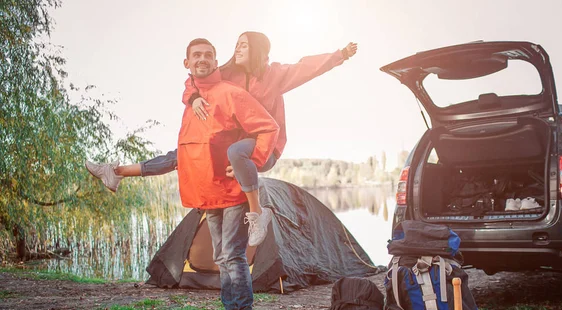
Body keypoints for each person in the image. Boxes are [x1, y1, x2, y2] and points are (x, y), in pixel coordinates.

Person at [86, 32, 358, 245]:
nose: (237, 49)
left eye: (243, 45)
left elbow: (307, 67)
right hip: (234, 149)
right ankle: (117, 171)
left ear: (257, 49)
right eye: (236, 44)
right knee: (183, 155)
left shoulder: (275, 75)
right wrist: (192, 99)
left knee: (236, 152)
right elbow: (194, 80)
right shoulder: (229, 74)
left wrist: (340, 55)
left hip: (264, 145)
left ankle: (258, 214)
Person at [177, 38, 279, 310]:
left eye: (209, 55)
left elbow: (268, 127)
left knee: (233, 256)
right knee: (222, 258)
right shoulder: (192, 98)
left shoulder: (231, 93)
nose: (203, 59)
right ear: (187, 63)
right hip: (209, 193)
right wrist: (191, 95)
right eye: (197, 55)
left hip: (233, 191)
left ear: (216, 60)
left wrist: (255, 161)